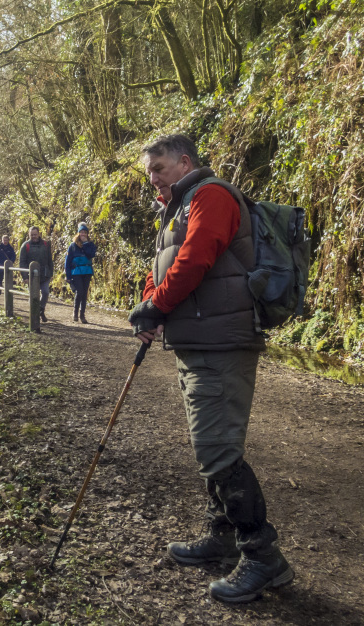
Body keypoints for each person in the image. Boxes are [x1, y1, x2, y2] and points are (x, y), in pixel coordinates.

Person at [128, 134, 294, 604]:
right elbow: (164, 266)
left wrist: (157, 306)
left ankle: (264, 557)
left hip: (222, 342)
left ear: (185, 162)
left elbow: (196, 258)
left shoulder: (212, 196)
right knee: (211, 446)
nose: (153, 180)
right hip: (198, 340)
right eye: (149, 173)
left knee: (217, 450)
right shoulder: (178, 208)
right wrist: (149, 306)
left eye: (159, 169)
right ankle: (220, 536)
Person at [19, 226, 54, 322]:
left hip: (45, 274)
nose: (34, 236)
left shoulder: (46, 244)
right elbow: (22, 262)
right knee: (33, 295)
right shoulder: (25, 246)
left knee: (46, 292)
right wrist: (25, 276)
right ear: (29, 235)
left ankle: (41, 310)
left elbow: (49, 260)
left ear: (39, 234)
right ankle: (34, 315)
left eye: (35, 234)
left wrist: (51, 274)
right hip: (32, 275)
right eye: (32, 235)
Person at [64, 222, 97, 323]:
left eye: (85, 232)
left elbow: (90, 255)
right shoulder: (73, 246)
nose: (83, 234)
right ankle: (75, 312)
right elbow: (67, 262)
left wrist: (86, 244)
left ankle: (82, 315)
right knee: (79, 292)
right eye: (81, 232)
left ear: (87, 234)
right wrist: (68, 276)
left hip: (87, 272)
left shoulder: (90, 244)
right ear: (78, 233)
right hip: (76, 272)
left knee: (84, 293)